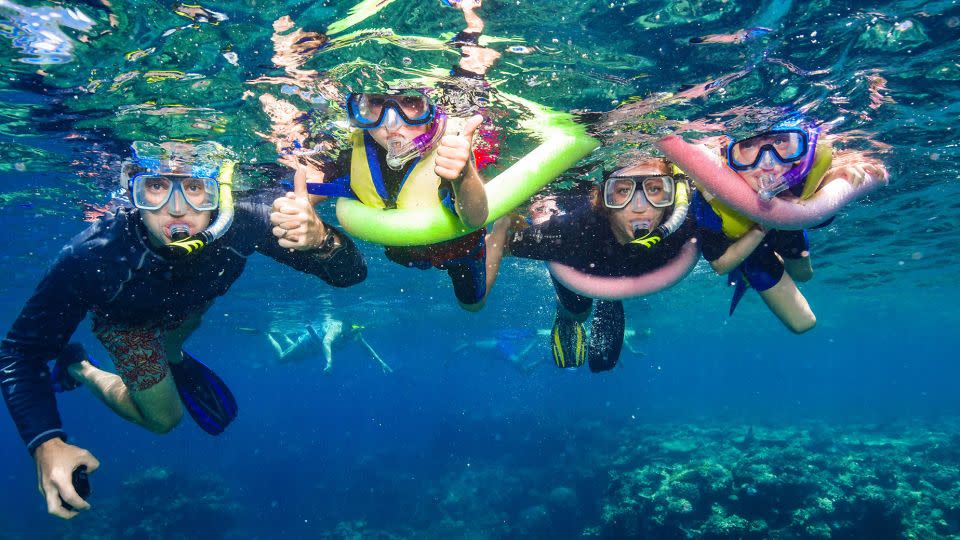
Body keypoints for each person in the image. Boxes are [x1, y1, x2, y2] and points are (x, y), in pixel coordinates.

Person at [0, 141, 367, 519]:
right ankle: (80, 365)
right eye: (156, 186)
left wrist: (322, 239)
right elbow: (20, 352)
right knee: (164, 421)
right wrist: (45, 442)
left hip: (192, 308)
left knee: (178, 335)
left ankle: (172, 352)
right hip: (130, 324)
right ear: (132, 189)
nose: (177, 209)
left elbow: (352, 276)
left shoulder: (245, 220)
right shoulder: (96, 254)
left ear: (220, 190)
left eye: (195, 188)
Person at [486, 156, 696, 372]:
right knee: (579, 312)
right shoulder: (573, 231)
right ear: (603, 197)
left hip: (621, 270)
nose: (640, 208)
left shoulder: (685, 225)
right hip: (582, 267)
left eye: (654, 190)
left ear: (673, 195)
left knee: (592, 308)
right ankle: (566, 315)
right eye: (623, 191)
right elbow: (503, 245)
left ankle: (606, 299)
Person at [692, 115, 887, 332]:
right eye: (747, 146)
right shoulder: (711, 199)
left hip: (788, 231)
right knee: (803, 323)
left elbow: (838, 183)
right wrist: (762, 225)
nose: (767, 164)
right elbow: (720, 265)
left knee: (805, 275)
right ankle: (750, 273)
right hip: (749, 249)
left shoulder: (806, 175)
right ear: (728, 158)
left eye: (780, 143)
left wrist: (834, 178)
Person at [267, 318, 392, 374]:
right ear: (346, 326)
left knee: (295, 360)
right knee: (281, 358)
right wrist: (329, 363)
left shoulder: (354, 333)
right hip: (306, 344)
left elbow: (367, 348)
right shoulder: (336, 328)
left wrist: (381, 363)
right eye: (352, 331)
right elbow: (326, 341)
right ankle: (267, 334)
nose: (353, 336)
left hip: (313, 351)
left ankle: (282, 335)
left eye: (356, 331)